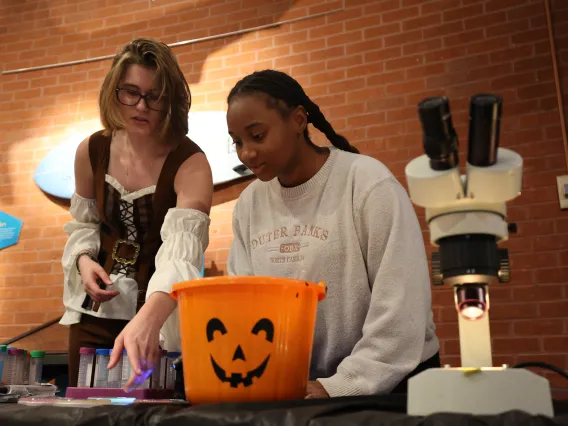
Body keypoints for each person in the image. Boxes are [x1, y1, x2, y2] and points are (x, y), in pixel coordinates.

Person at [226, 69, 440, 398]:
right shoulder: (249, 205)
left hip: (393, 387)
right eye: (238, 142)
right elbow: (242, 308)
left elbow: (401, 309)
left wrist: (340, 385)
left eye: (257, 136)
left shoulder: (367, 182)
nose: (246, 153)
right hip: (301, 392)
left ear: (298, 120)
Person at [59, 38, 213, 390]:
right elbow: (84, 223)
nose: (141, 105)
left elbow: (182, 253)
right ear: (114, 91)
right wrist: (83, 260)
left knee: (148, 410)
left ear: (171, 99)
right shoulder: (92, 150)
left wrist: (150, 319)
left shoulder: (190, 163)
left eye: (155, 96)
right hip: (92, 314)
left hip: (158, 316)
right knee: (84, 408)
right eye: (131, 92)